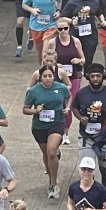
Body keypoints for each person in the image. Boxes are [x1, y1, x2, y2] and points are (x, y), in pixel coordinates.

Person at [23, 65, 71, 199]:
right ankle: (51, 179)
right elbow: (25, 109)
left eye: (50, 76)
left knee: (51, 151)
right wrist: (35, 110)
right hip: (40, 126)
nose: (48, 78)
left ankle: (54, 184)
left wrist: (67, 108)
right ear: (40, 77)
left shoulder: (61, 88)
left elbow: (69, 96)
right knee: (46, 154)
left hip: (57, 123)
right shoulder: (33, 91)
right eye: (45, 76)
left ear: (54, 76)